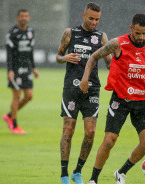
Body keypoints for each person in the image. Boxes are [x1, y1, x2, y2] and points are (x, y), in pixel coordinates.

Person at [79, 14, 145, 184]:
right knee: (110, 140)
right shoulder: (118, 43)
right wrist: (85, 78)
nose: (141, 37)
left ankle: (121, 172)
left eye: (144, 33)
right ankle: (93, 180)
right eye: (138, 33)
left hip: (143, 101)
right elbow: (94, 56)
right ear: (131, 28)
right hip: (121, 100)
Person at [56, 2, 112, 184]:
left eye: (97, 19)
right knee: (68, 130)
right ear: (83, 15)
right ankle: (64, 174)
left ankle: (77, 171)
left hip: (93, 89)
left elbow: (110, 64)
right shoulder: (70, 33)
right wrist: (64, 58)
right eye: (91, 18)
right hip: (71, 89)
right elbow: (58, 56)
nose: (94, 22)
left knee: (91, 132)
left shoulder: (101, 37)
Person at [2, 9, 39, 135]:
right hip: (16, 69)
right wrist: (10, 70)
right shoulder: (13, 33)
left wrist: (34, 67)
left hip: (27, 68)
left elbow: (30, 51)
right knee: (17, 96)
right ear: (17, 17)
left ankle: (9, 116)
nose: (24, 18)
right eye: (22, 16)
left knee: (29, 96)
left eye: (26, 16)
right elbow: (9, 53)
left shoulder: (31, 31)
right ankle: (14, 126)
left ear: (29, 18)